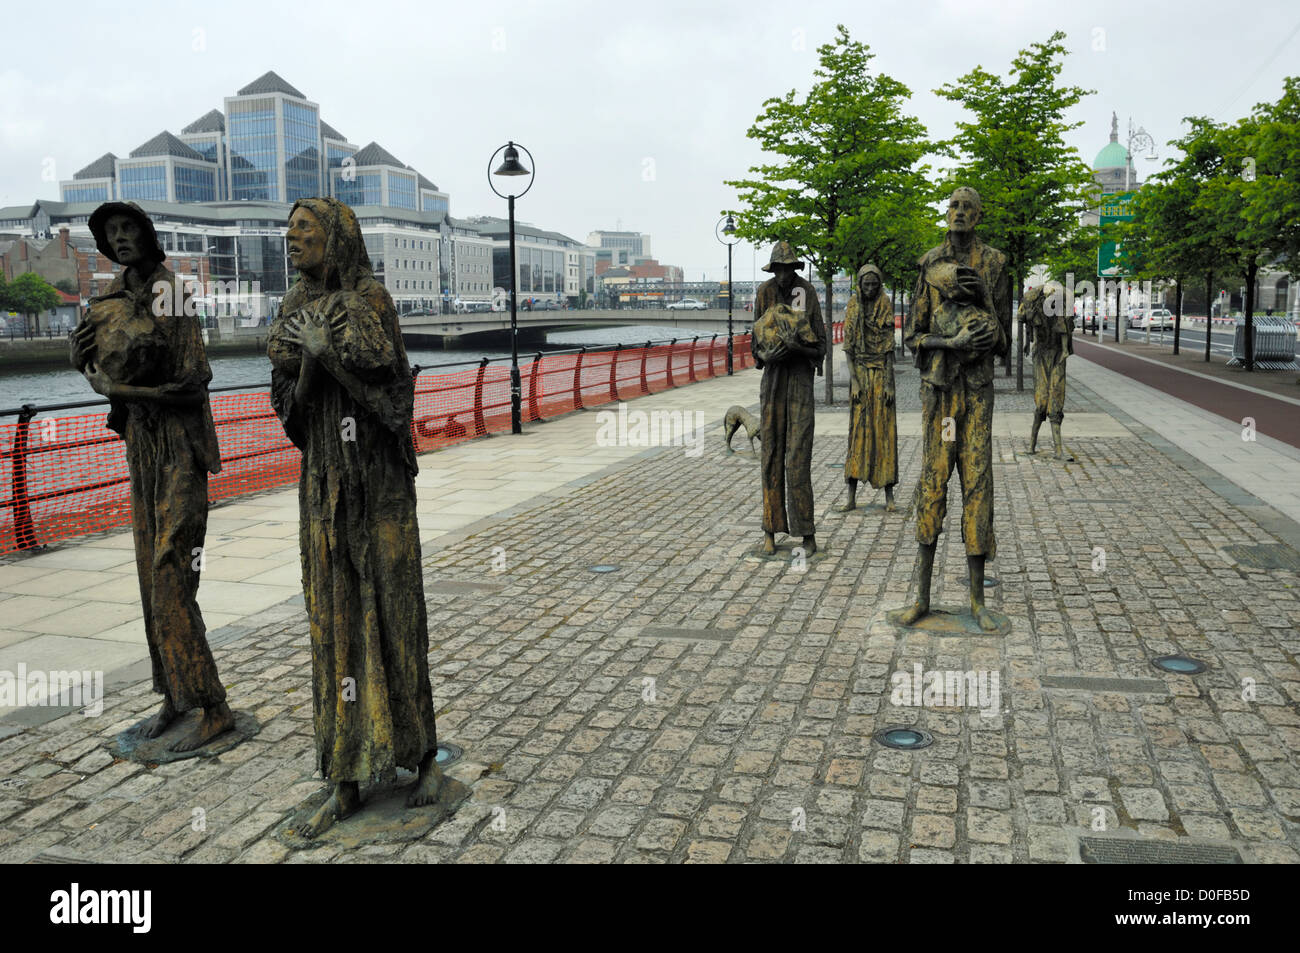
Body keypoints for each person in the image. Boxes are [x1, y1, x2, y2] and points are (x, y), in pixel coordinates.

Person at [267, 197, 447, 837]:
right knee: (334, 618)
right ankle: (344, 774)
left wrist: (332, 356)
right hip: (325, 483)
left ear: (336, 237)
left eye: (303, 230)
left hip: (379, 486)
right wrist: (313, 361)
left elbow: (393, 401)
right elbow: (288, 407)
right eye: (288, 231)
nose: (291, 240)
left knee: (396, 611)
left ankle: (420, 754)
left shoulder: (373, 300)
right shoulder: (291, 308)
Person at [70, 201, 232, 751]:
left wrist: (118, 390)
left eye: (128, 228)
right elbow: (95, 366)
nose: (120, 239)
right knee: (147, 571)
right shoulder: (107, 300)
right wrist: (84, 362)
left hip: (179, 446)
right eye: (110, 233)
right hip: (140, 444)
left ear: (146, 234)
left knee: (170, 570)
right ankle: (173, 695)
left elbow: (192, 384)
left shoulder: (174, 292)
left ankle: (213, 705)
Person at [898, 187, 1010, 632]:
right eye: (953, 206)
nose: (959, 213)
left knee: (979, 482)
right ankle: (921, 596)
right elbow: (913, 337)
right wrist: (952, 343)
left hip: (978, 393)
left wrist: (982, 300)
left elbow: (1003, 340)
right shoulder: (930, 264)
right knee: (934, 478)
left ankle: (977, 600)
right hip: (942, 397)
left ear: (978, 216)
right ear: (946, 213)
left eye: (967, 208)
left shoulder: (997, 264)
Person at [750, 241, 827, 556]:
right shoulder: (764, 293)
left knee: (797, 458)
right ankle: (770, 528)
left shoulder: (806, 292)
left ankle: (806, 533)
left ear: (794, 269)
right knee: (771, 456)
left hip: (799, 383)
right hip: (773, 384)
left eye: (787, 269)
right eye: (778, 269)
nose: (782, 276)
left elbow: (820, 346)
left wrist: (796, 348)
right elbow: (754, 343)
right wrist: (765, 353)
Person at [840, 263, 898, 511]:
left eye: (875, 284)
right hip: (861, 376)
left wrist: (888, 384)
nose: (871, 288)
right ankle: (851, 495)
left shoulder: (885, 303)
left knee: (884, 432)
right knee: (858, 433)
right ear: (860, 285)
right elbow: (849, 349)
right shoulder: (853, 306)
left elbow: (888, 349)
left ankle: (889, 495)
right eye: (867, 284)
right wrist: (853, 381)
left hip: (881, 375)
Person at [1021, 281, 1072, 458]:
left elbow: (1063, 329)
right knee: (1041, 402)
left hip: (1057, 355)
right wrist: (1028, 343)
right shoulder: (1034, 307)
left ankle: (1058, 450)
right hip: (1041, 354)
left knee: (1056, 398)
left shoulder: (1058, 307)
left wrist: (1065, 351)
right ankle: (1031, 445)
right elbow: (1028, 324)